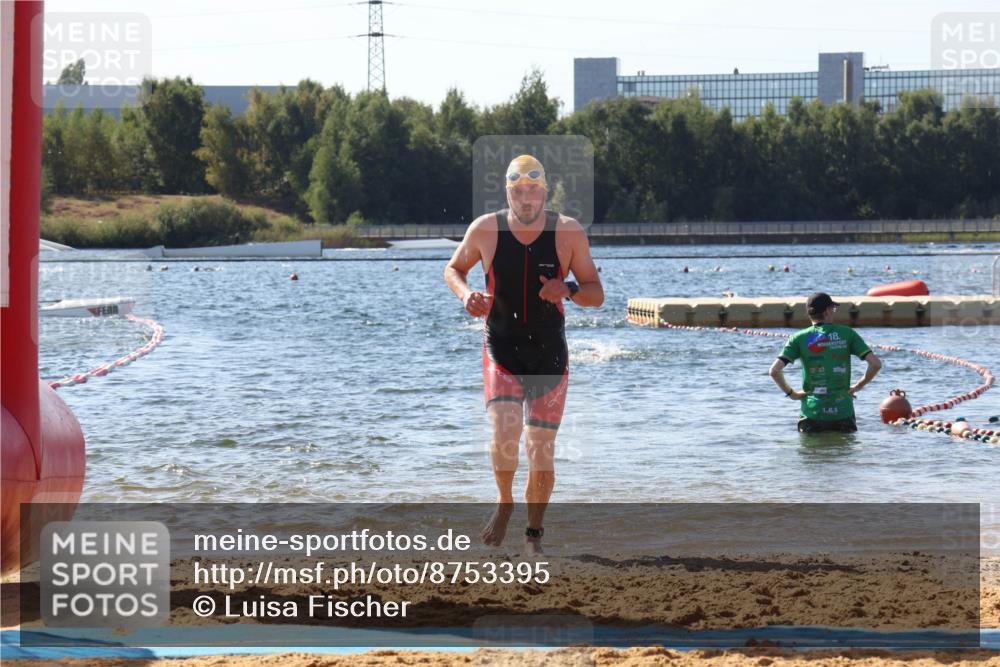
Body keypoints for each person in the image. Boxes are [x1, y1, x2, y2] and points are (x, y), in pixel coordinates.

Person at [444, 155, 604, 554]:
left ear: (545, 192)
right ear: (508, 193)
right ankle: (504, 501)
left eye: (534, 190)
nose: (527, 198)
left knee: (540, 450)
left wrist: (568, 289)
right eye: (519, 191)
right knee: (504, 435)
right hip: (502, 349)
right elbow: (453, 269)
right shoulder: (485, 229)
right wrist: (466, 295)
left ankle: (533, 535)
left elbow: (596, 294)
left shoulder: (568, 232)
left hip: (549, 354)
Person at [768, 292, 882, 433]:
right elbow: (876, 364)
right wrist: (858, 386)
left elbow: (774, 371)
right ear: (827, 311)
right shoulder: (847, 333)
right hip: (843, 411)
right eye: (833, 309)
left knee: (812, 448)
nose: (834, 312)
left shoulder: (798, 338)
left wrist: (792, 394)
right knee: (845, 447)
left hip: (812, 413)